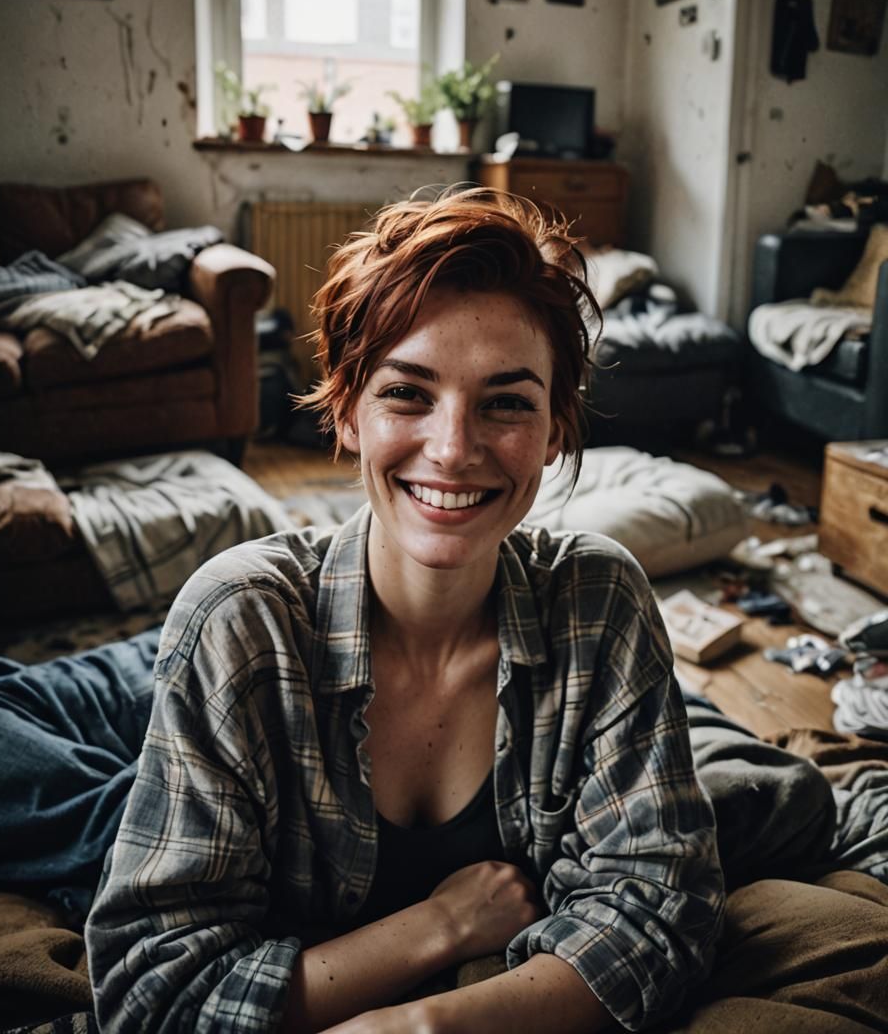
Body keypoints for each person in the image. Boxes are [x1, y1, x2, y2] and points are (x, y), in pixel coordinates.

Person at [85, 187, 725, 1033]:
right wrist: (440, 926)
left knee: (770, 799)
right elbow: (151, 994)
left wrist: (416, 1027)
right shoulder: (239, 620)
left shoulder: (601, 601)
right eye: (407, 394)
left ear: (556, 428)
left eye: (506, 401)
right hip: (193, 666)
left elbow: (659, 916)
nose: (454, 450)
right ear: (347, 408)